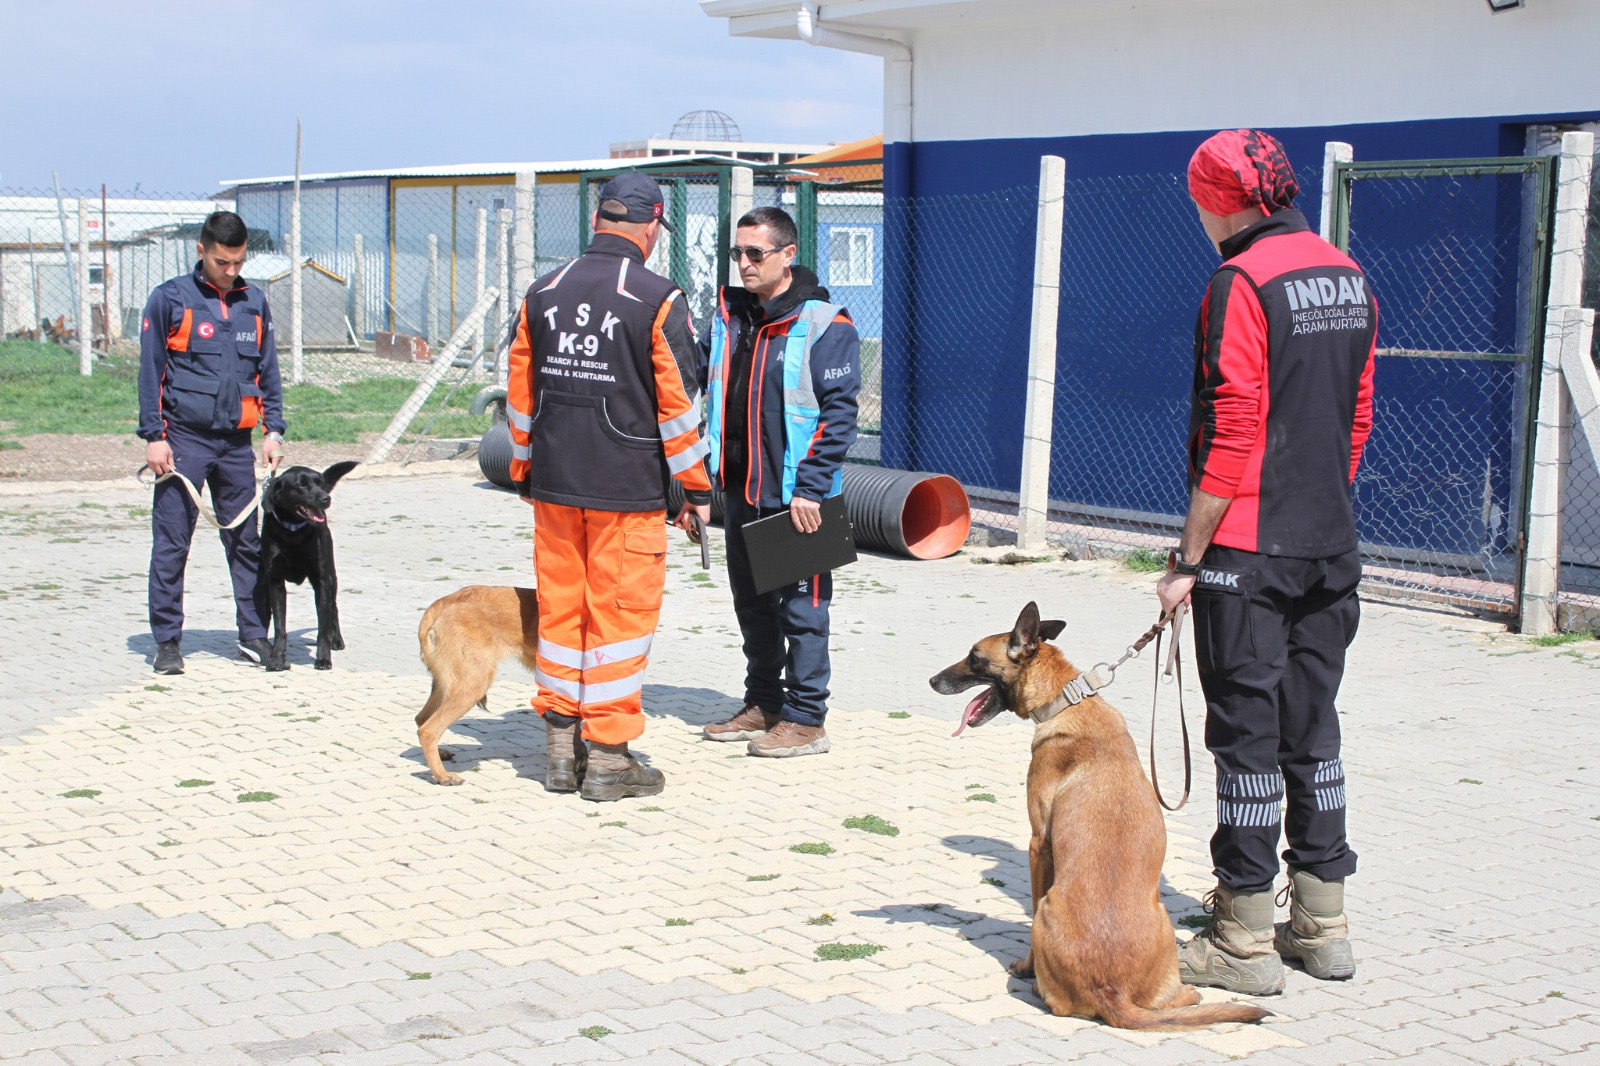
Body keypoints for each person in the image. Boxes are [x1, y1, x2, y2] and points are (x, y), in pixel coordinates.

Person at [1157, 130, 1378, 995]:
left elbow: (1235, 422)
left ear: (1226, 200)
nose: (1202, 218)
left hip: (1248, 552)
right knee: (1312, 730)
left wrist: (1188, 555)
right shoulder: (1347, 273)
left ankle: (1242, 937)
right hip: (1331, 541)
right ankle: (1323, 926)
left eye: (1201, 203)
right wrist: (1320, 504)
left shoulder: (1239, 281)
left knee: (1245, 741)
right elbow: (1357, 413)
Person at [506, 172, 712, 802]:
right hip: (628, 492)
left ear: (598, 220)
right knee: (619, 623)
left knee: (563, 615)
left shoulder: (541, 292)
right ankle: (611, 757)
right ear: (650, 226)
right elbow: (679, 404)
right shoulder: (657, 297)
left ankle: (560, 748)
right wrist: (695, 490)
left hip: (556, 487)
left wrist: (523, 469)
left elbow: (520, 395)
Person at [698, 207, 860, 757]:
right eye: (737, 253)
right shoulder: (729, 316)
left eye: (754, 254)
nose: (743, 264)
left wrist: (811, 488)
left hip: (797, 499)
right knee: (753, 604)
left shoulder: (824, 323)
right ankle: (764, 703)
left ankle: (807, 718)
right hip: (740, 491)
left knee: (803, 613)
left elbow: (839, 416)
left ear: (787, 255)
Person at [138, 210, 284, 676]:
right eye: (223, 261)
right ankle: (167, 641)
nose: (231, 270)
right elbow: (151, 372)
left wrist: (273, 429)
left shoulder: (254, 302)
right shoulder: (170, 300)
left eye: (239, 262)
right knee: (173, 543)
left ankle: (253, 634)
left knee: (247, 542)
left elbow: (268, 371)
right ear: (201, 251)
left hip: (236, 444)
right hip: (184, 440)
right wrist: (154, 437)